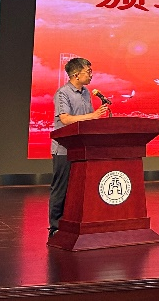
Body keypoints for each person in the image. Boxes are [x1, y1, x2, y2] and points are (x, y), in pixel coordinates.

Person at [49, 57, 109, 237]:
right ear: (76, 74)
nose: (91, 75)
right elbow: (65, 119)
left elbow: (88, 119)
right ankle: (55, 227)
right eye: (88, 71)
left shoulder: (86, 93)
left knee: (81, 188)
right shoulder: (63, 93)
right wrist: (93, 116)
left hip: (82, 148)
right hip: (64, 149)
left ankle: (75, 222)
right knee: (61, 188)